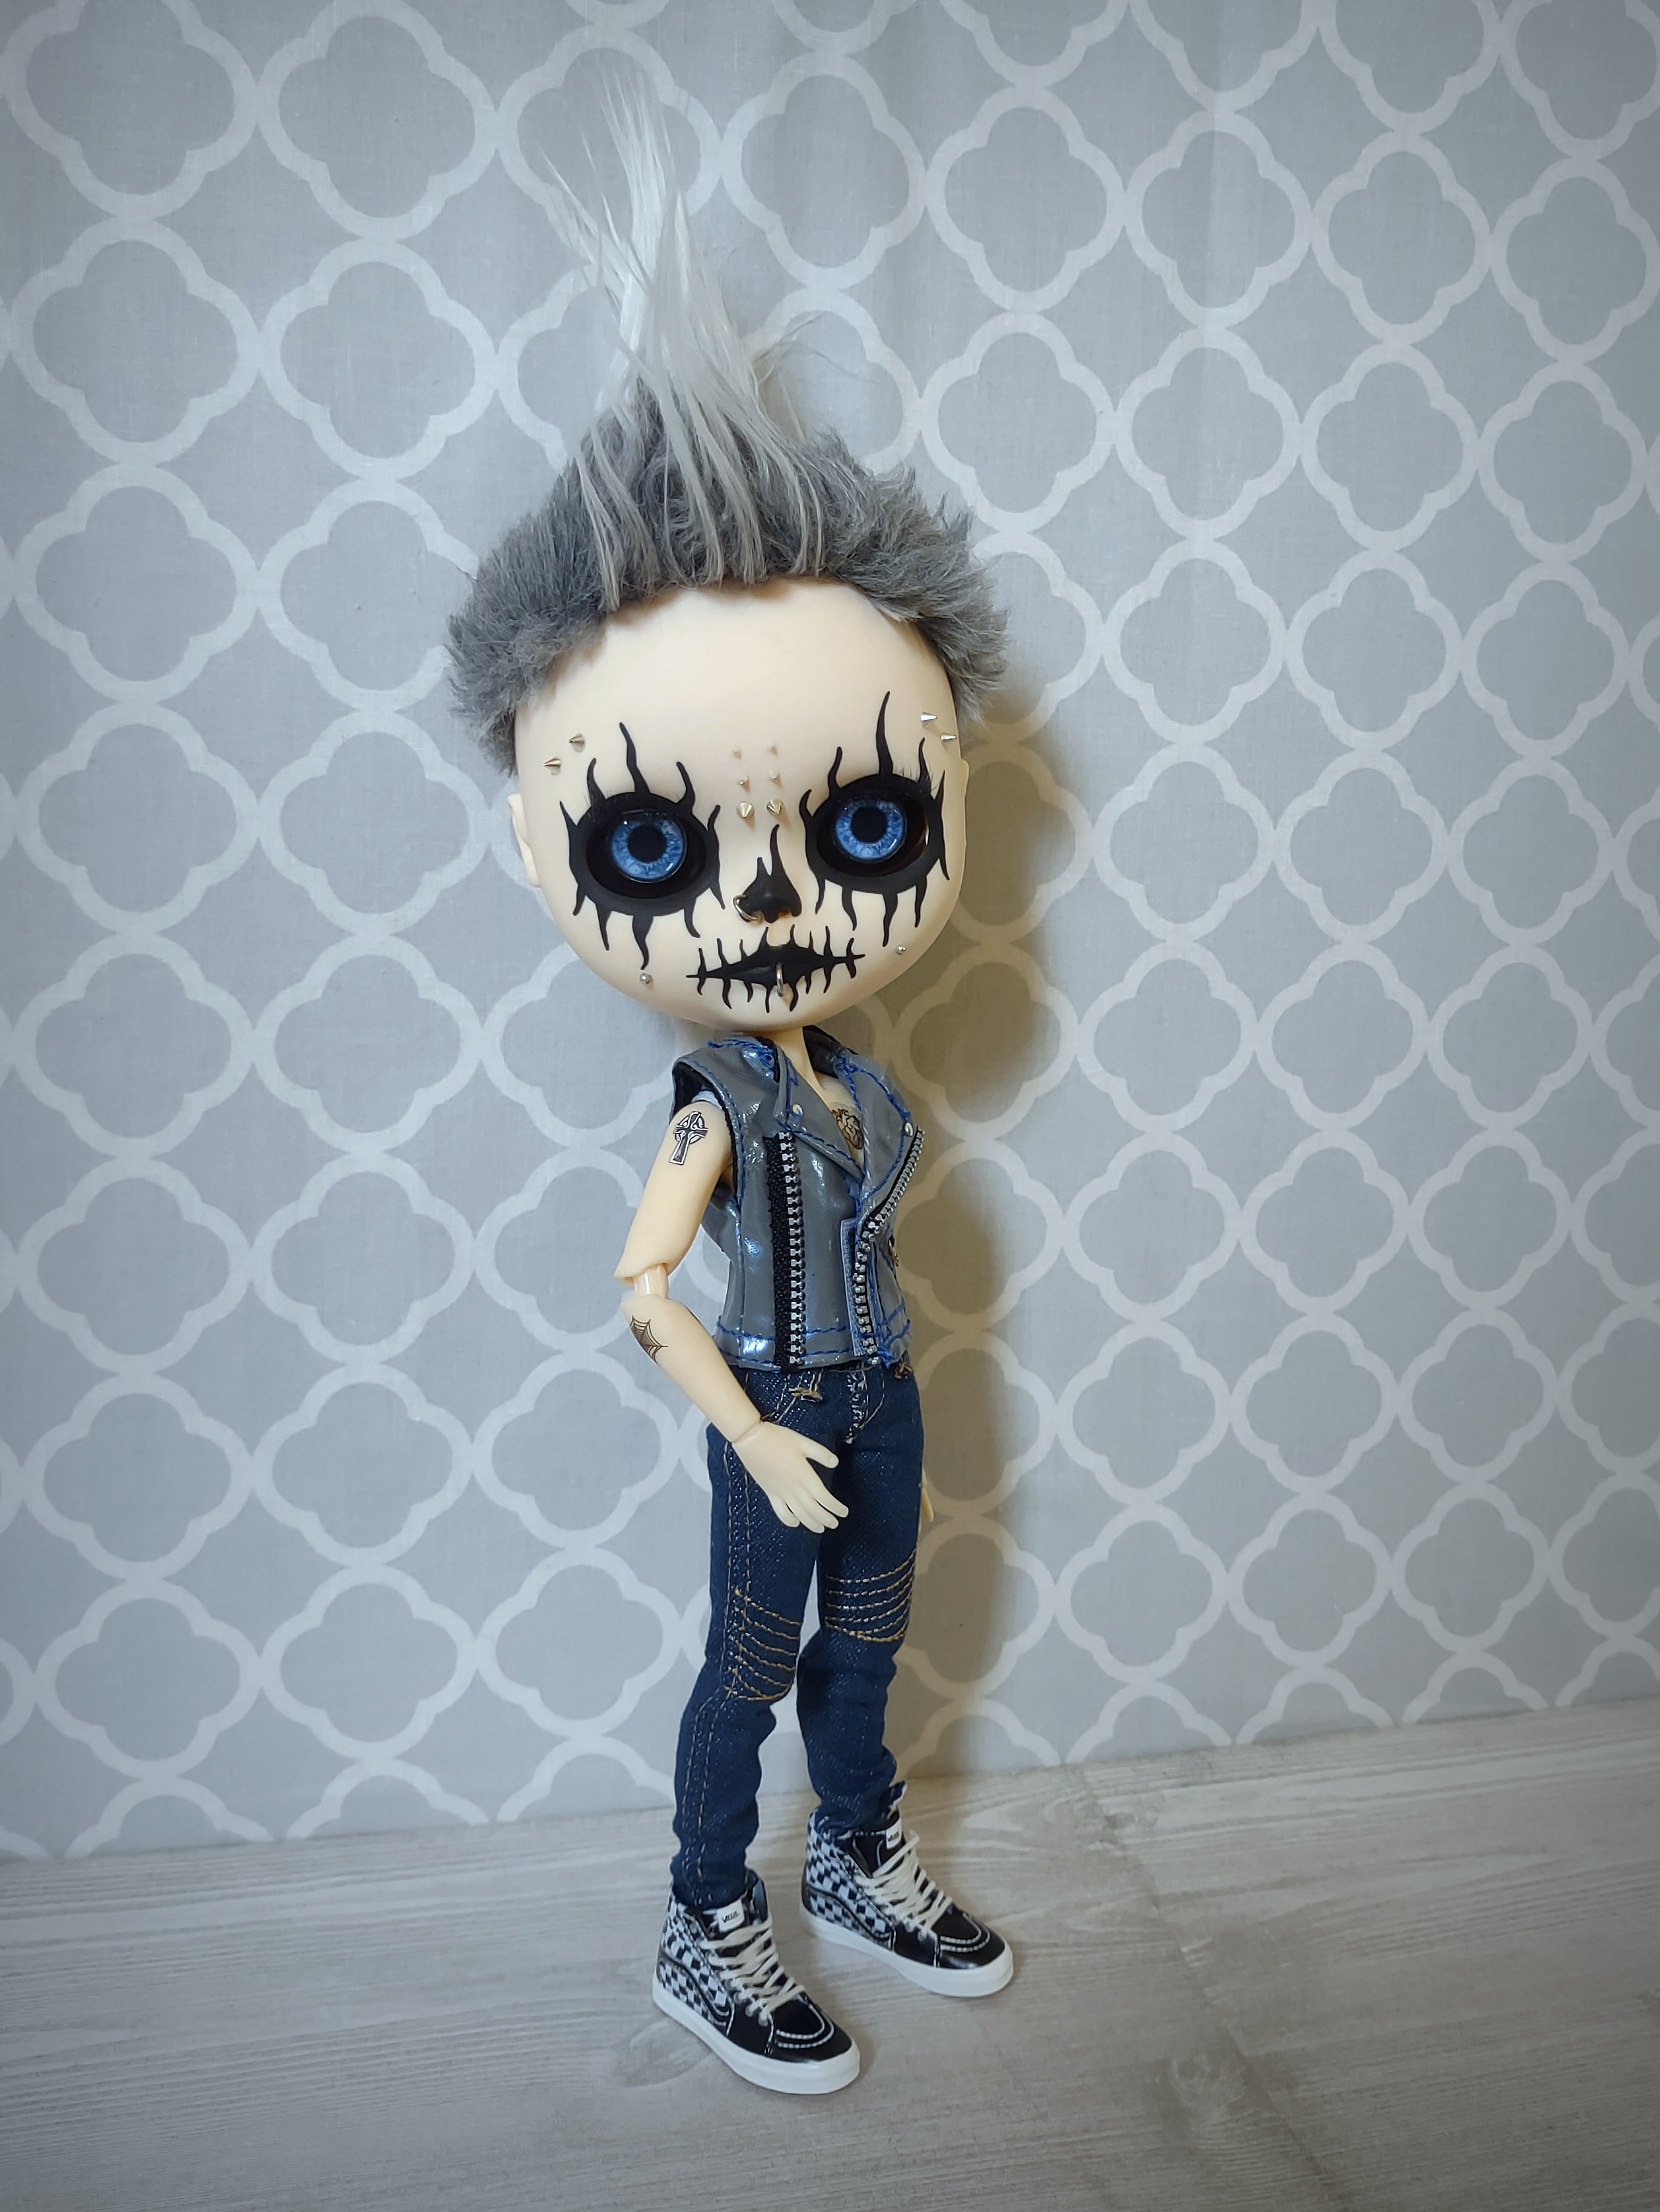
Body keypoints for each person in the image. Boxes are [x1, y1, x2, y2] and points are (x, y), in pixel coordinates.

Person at [447, 87, 1011, 2095]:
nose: (768, 906)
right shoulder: (711, 1108)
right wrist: (752, 1435)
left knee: (870, 1649)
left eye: (858, 821)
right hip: (778, 1406)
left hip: (886, 1397)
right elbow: (641, 1285)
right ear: (548, 847)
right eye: (657, 846)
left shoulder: (859, 1082)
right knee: (743, 1672)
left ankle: (853, 1854)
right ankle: (707, 1908)